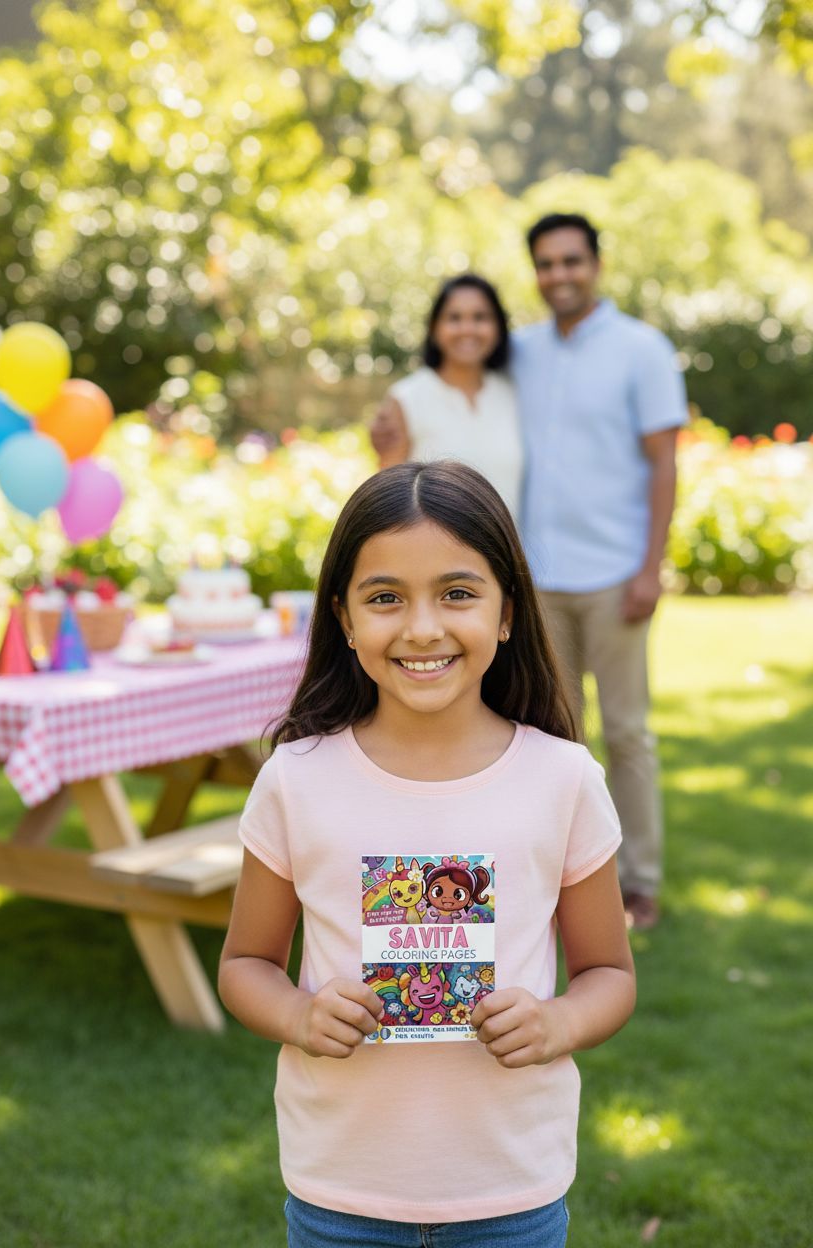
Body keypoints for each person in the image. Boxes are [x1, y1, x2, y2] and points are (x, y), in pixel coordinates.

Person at [219, 460, 636, 1248]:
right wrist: (300, 1014)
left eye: (456, 593)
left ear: (507, 611)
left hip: (512, 1191)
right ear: (342, 617)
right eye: (384, 598)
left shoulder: (563, 780)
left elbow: (609, 976)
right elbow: (245, 964)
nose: (421, 628)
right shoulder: (296, 780)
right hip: (340, 1192)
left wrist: (557, 1024)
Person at [513, 212, 688, 933]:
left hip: (616, 574)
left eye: (571, 262)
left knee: (627, 733)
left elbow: (665, 462)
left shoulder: (641, 350)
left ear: (597, 264)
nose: (560, 276)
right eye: (547, 264)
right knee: (553, 738)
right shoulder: (518, 350)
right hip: (538, 580)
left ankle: (639, 882)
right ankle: (564, 884)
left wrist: (651, 566)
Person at [370, 274, 523, 519]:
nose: (467, 329)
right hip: (431, 555)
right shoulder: (406, 398)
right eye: (454, 318)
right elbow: (387, 498)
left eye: (480, 317)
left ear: (498, 327)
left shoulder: (512, 393)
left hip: (508, 553)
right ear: (434, 327)